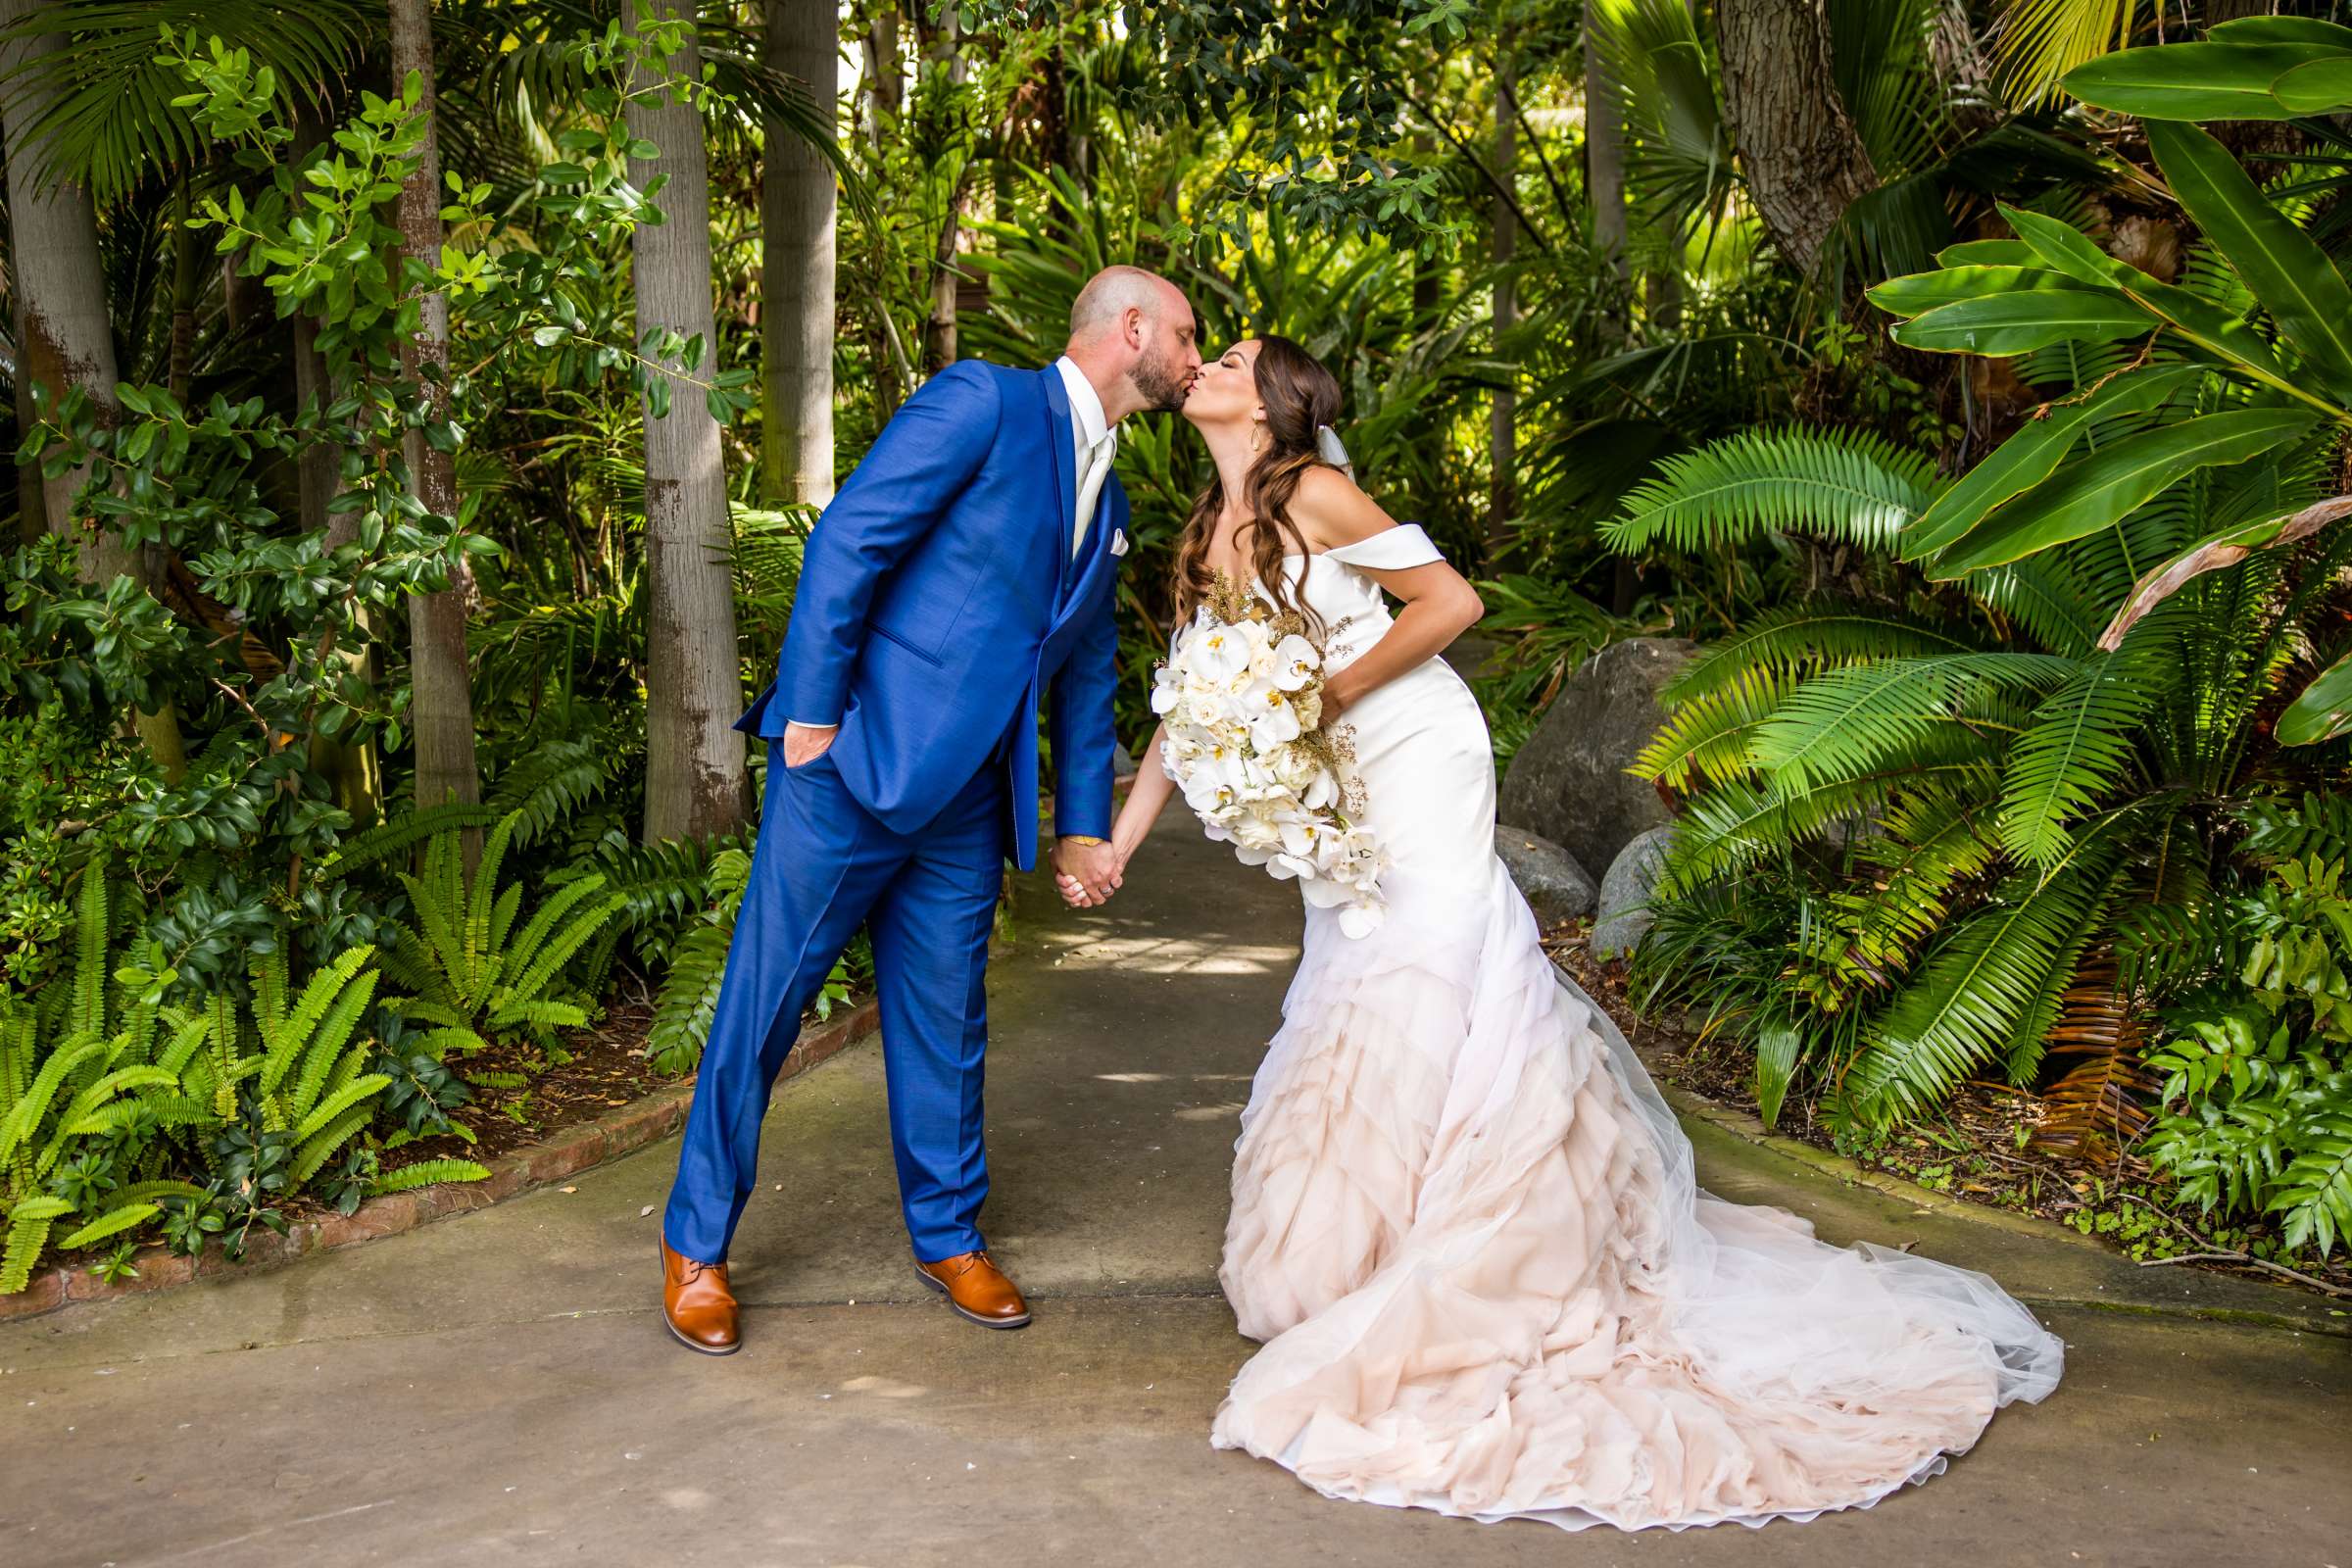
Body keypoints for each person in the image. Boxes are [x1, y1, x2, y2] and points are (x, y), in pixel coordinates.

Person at [1079, 334, 2066, 1530]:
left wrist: (1322, 697)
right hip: (1329, 792)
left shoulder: (1318, 493)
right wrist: (1123, 842)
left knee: (1435, 959)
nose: (1209, 367)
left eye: (1230, 356)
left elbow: (1450, 602)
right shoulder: (1203, 531)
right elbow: (1192, 706)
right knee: (1354, 962)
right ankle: (1364, 1237)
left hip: (1410, 751)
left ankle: (1486, 1227)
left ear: (1280, 401)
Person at [658, 267, 1201, 1353]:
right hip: (852, 772)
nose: (1196, 355)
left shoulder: (1116, 500)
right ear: (1131, 329)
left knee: (948, 1022)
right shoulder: (984, 403)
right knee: (767, 1007)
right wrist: (811, 719)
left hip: (967, 804)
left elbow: (1086, 668)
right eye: (1188, 335)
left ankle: (949, 1235)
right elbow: (849, 539)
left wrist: (1081, 822)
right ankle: (697, 1246)